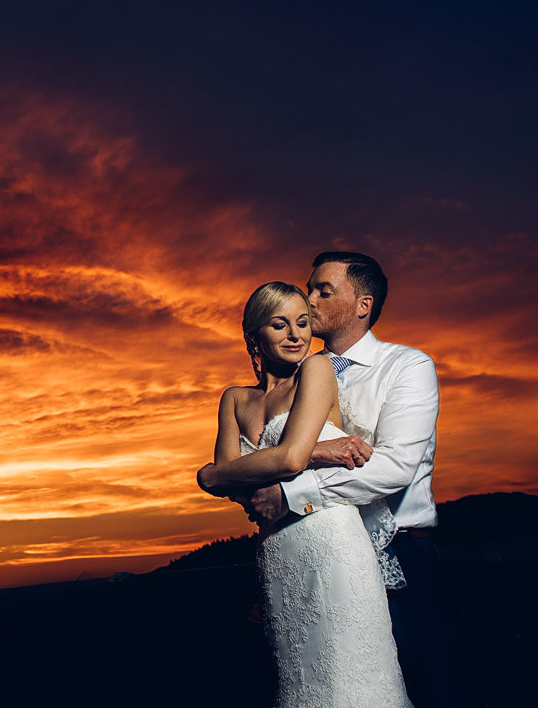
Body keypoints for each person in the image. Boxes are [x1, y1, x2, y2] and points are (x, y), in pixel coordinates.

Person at [244, 251, 463, 708]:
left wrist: (292, 493)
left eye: (324, 289)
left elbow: (396, 466)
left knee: (424, 685)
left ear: (362, 305)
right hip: (318, 554)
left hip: (399, 551)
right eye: (310, 287)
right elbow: (270, 458)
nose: (310, 298)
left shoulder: (407, 366)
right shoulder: (293, 376)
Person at [198, 281, 412, 708]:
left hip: (330, 539)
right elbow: (229, 486)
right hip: (277, 552)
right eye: (280, 325)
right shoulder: (235, 399)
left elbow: (286, 461)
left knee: (350, 679)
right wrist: (316, 451)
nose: (296, 335)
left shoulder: (317, 370)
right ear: (254, 335)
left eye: (302, 323)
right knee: (298, 679)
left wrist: (220, 473)